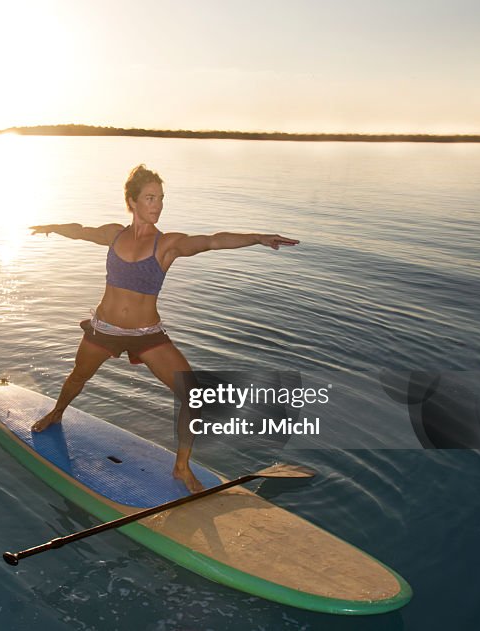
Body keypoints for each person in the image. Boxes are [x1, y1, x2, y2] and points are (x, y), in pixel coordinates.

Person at [29, 165, 299, 492]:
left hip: (147, 335)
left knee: (193, 395)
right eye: (150, 198)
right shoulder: (114, 234)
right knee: (77, 377)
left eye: (161, 199)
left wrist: (257, 237)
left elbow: (212, 241)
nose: (157, 205)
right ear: (133, 201)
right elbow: (82, 230)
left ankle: (181, 467)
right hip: (104, 328)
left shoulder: (167, 244)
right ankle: (57, 412)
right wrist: (51, 227)